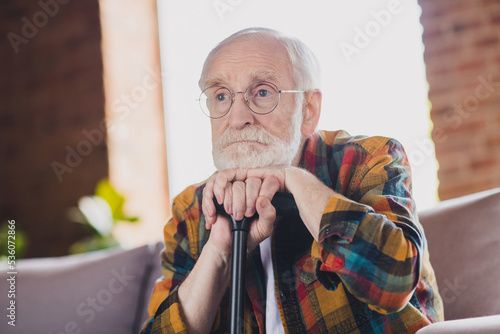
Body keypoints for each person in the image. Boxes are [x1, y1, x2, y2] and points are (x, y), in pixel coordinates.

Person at [142, 27, 444, 334]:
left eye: (262, 92)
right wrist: (220, 251)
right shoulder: (192, 208)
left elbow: (394, 280)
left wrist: (296, 181)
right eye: (221, 96)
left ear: (309, 110)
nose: (236, 118)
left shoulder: (369, 160)